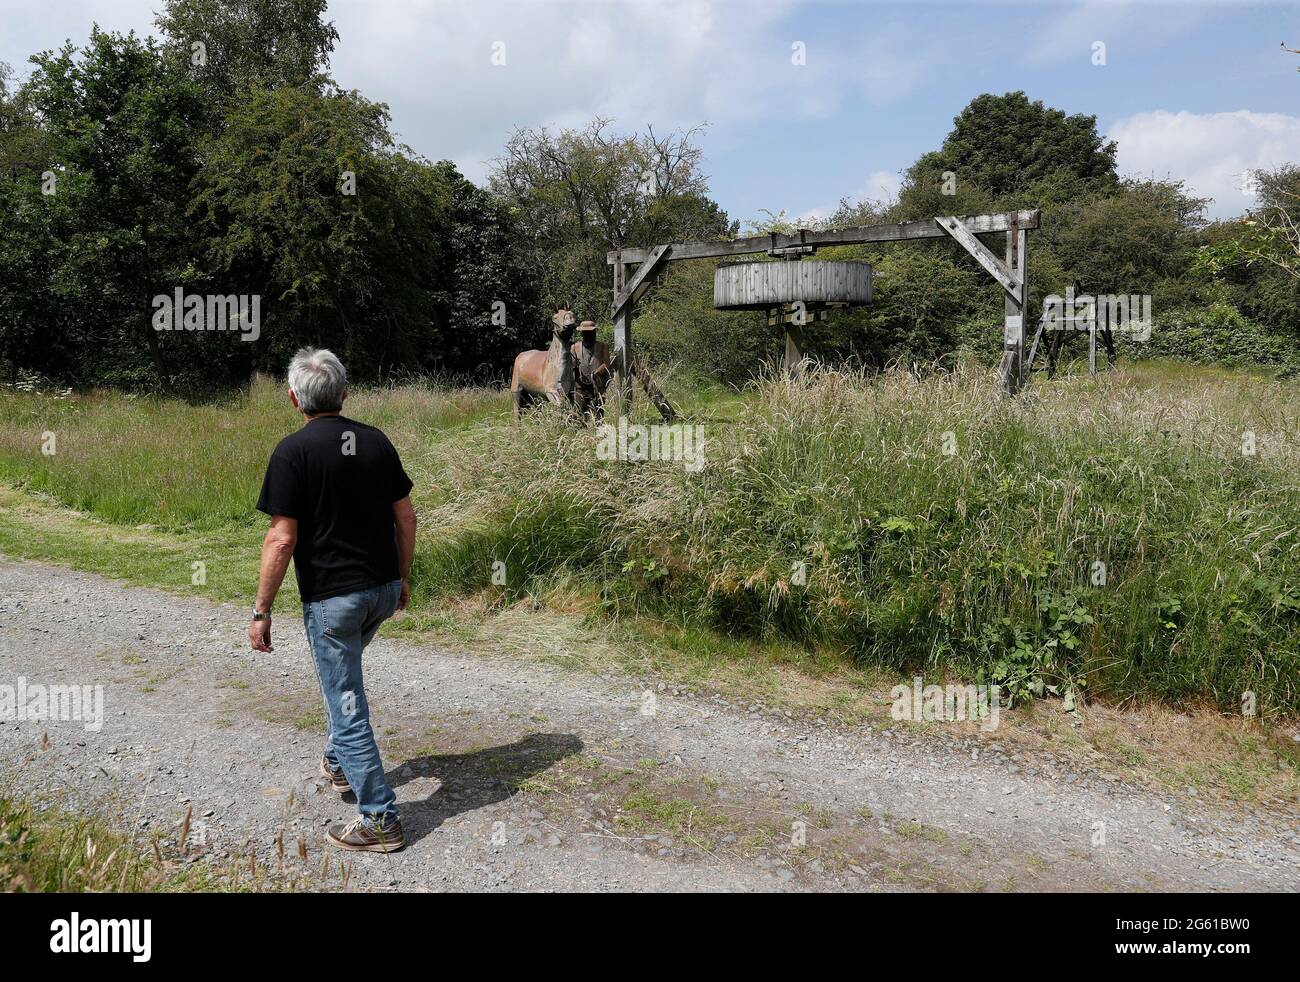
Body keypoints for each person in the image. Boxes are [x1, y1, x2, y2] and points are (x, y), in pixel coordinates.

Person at [248, 347, 417, 853]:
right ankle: (341, 762)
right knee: (341, 680)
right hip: (380, 591)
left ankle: (380, 818)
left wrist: (261, 610)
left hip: (334, 601)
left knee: (346, 703)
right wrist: (401, 578)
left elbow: (281, 539)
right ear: (344, 394)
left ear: (293, 397)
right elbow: (405, 518)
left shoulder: (292, 452)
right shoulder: (377, 442)